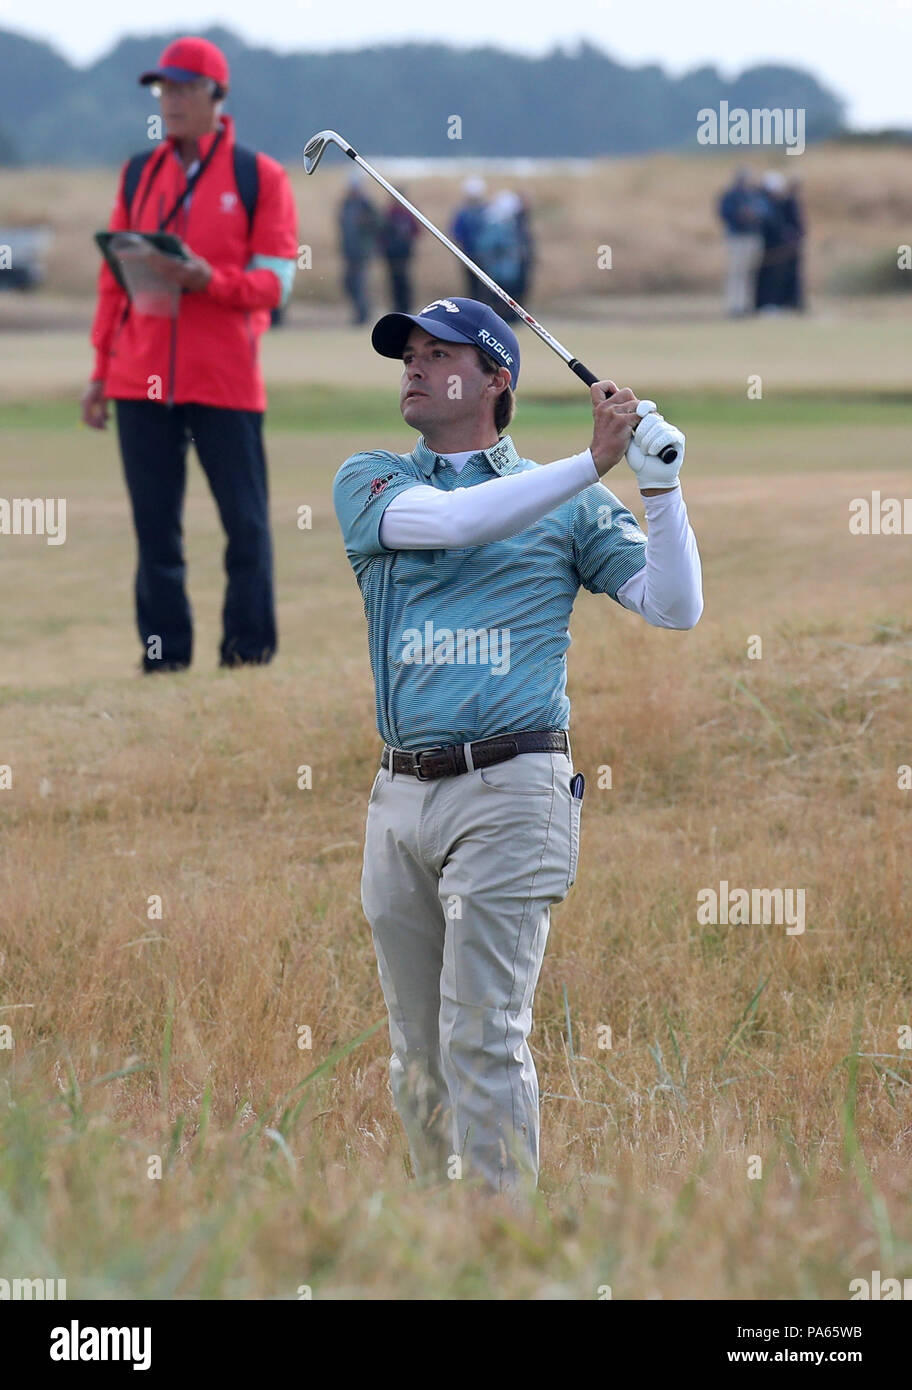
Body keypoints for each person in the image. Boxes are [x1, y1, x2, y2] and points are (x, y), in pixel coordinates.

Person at [332, 296, 703, 1197]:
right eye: (406, 354)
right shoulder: (372, 480)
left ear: (497, 377)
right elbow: (462, 524)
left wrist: (659, 486)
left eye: (437, 353)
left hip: (512, 789)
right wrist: (595, 460)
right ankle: (439, 1249)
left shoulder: (569, 507)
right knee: (416, 1050)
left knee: (483, 1036)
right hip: (399, 796)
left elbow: (674, 604)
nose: (413, 367)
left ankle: (502, 1254)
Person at [81, 35, 298, 673]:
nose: (169, 100)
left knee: (247, 529)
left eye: (182, 88)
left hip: (224, 379)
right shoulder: (137, 173)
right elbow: (110, 285)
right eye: (163, 89)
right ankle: (164, 662)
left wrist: (210, 281)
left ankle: (248, 660)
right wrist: (99, 371)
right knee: (155, 534)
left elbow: (276, 284)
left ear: (215, 96)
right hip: (137, 378)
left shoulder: (259, 177)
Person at [717, 168, 765, 317]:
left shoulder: (753, 195)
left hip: (753, 236)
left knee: (750, 274)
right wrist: (740, 215)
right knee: (736, 273)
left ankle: (746, 305)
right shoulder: (731, 196)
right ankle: (734, 306)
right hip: (737, 237)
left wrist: (754, 215)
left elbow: (765, 212)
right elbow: (725, 213)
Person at [474, 191, 524, 323]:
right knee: (496, 298)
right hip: (496, 271)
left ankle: (509, 318)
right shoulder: (494, 224)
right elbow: (486, 245)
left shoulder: (509, 223)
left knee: (510, 296)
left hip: (508, 270)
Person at [338, 173, 379, 324]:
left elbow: (378, 223)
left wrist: (366, 222)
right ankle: (360, 311)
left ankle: (362, 316)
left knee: (360, 284)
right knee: (348, 283)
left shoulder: (366, 204)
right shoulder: (346, 204)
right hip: (349, 251)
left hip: (362, 253)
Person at [755, 171, 789, 313]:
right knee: (765, 276)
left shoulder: (775, 203)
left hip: (776, 245)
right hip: (768, 245)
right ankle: (763, 304)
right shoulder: (763, 202)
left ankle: (772, 303)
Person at [379, 194, 419, 314]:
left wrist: (407, 241)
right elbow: (381, 233)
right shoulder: (388, 214)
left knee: (404, 280)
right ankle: (397, 307)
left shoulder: (408, 213)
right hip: (391, 254)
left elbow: (416, 231)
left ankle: (406, 307)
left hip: (404, 253)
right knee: (394, 281)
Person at [449, 178, 488, 298]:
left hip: (483, 256)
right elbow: (456, 233)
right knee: (472, 286)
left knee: (483, 286)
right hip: (468, 255)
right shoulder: (464, 212)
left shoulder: (485, 211)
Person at [780, 177, 806, 311]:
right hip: (790, 244)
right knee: (790, 273)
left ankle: (796, 301)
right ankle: (791, 302)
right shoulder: (787, 202)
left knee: (796, 274)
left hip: (795, 243)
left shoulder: (793, 201)